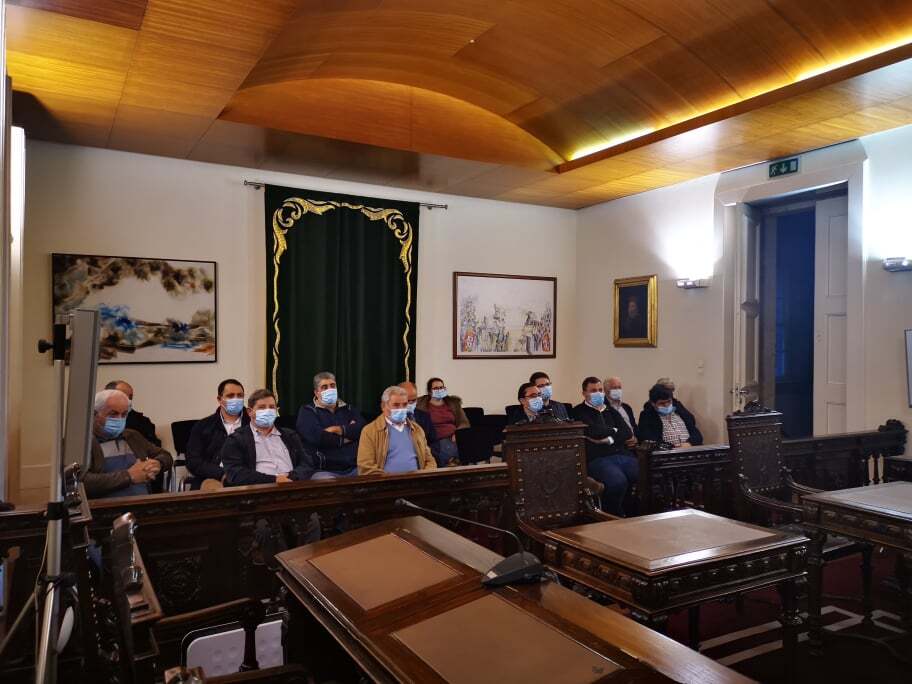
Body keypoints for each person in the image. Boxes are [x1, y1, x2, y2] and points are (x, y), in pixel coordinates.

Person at [87, 389, 173, 499]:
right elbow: (82, 482)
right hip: (106, 507)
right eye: (113, 414)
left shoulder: (132, 436)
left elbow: (166, 455)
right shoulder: (84, 443)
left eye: (124, 414)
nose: (119, 419)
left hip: (143, 502)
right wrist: (129, 476)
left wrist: (157, 463)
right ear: (95, 414)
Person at [222, 389, 318, 485]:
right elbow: (236, 474)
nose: (267, 411)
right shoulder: (236, 440)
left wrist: (291, 477)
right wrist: (274, 480)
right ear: (249, 412)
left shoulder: (290, 435)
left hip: (293, 486)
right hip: (260, 490)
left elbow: (307, 464)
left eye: (272, 407)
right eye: (262, 407)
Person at [572, 377, 638, 516]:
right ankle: (614, 516)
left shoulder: (609, 409)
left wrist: (609, 439)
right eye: (593, 390)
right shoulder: (578, 411)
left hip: (621, 454)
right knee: (617, 482)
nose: (598, 393)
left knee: (643, 475)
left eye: (600, 390)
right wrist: (614, 430)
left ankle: (636, 514)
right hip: (598, 458)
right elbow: (594, 432)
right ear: (584, 393)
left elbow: (627, 432)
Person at [295, 372, 366, 479]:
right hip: (324, 471)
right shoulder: (307, 411)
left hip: (354, 467)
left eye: (332, 386)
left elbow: (362, 430)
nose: (330, 389)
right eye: (324, 387)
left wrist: (336, 429)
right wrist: (349, 434)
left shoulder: (349, 409)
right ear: (316, 392)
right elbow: (319, 438)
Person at [357, 386, 437, 475]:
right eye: (396, 405)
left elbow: (429, 460)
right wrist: (390, 480)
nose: (401, 409)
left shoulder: (417, 429)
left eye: (405, 405)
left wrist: (424, 476)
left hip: (416, 481)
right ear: (383, 406)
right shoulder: (369, 431)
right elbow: (366, 467)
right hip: (386, 482)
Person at [185, 378, 249, 489]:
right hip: (213, 477)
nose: (236, 399)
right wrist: (221, 473)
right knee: (215, 490)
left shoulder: (253, 424)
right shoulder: (203, 426)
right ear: (219, 399)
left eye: (240, 396)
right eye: (230, 396)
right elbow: (193, 461)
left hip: (246, 476)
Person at [416, 378, 470, 465]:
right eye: (436, 388)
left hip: (454, 438)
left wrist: (458, 433)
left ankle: (453, 462)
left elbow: (464, 422)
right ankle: (452, 462)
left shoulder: (453, 403)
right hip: (435, 439)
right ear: (429, 391)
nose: (439, 390)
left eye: (441, 387)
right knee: (446, 448)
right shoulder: (421, 405)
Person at [638, 383, 704, 447]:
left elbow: (697, 435)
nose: (666, 405)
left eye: (669, 401)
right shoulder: (647, 416)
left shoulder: (680, 412)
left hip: (689, 449)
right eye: (662, 403)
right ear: (653, 403)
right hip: (666, 452)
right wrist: (673, 448)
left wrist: (689, 443)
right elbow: (650, 440)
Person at [104, 380, 161, 446]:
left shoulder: (143, 422)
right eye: (123, 396)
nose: (128, 400)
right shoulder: (96, 420)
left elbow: (154, 446)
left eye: (130, 397)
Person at [398, 381, 442, 465]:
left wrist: (426, 456)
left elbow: (434, 442)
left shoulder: (424, 416)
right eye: (408, 401)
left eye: (414, 400)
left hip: (425, 461)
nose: (411, 403)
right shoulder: (392, 418)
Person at [604, 376, 638, 446]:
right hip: (617, 446)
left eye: (619, 387)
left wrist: (636, 438)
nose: (618, 390)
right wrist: (622, 440)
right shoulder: (603, 408)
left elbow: (634, 426)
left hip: (634, 445)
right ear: (606, 390)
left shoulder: (626, 407)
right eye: (614, 388)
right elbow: (607, 430)